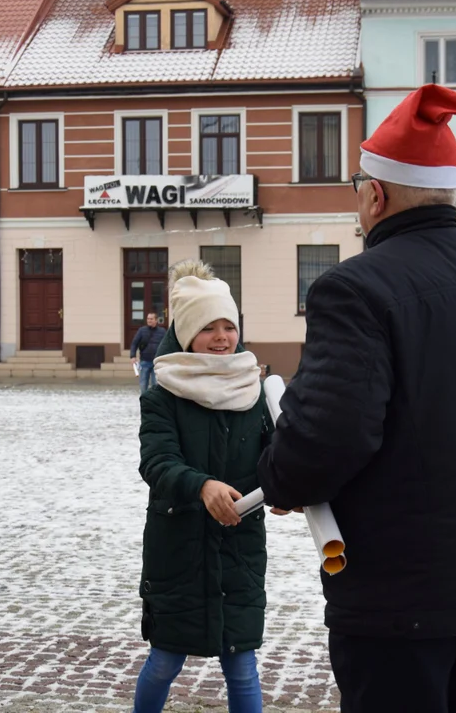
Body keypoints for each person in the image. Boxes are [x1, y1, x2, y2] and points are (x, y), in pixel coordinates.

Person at [256, 85, 456, 713]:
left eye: (357, 186)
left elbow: (328, 434)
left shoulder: (353, 289)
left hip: (406, 593)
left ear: (375, 193)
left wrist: (282, 478)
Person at [133, 260, 270, 713]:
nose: (222, 337)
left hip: (239, 549)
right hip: (179, 550)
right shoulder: (162, 396)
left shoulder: (256, 392)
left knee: (242, 666)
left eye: (229, 326)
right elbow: (157, 462)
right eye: (209, 327)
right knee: (164, 661)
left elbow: (274, 458)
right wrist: (202, 486)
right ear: (187, 331)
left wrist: (284, 488)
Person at [131, 312, 166, 395]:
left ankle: (154, 403)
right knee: (143, 385)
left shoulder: (162, 331)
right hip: (144, 361)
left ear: (156, 320)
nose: (149, 320)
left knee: (156, 385)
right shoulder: (142, 330)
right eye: (148, 319)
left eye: (151, 319)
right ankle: (144, 401)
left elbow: (166, 345)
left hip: (157, 363)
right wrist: (132, 356)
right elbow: (134, 343)